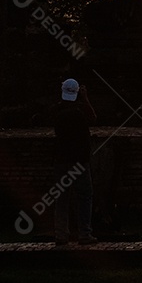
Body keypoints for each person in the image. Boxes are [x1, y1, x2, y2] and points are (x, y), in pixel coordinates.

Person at [44, 78, 97, 245]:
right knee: (84, 197)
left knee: (62, 198)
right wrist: (85, 98)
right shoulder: (80, 111)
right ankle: (84, 233)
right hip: (79, 160)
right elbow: (93, 118)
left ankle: (61, 234)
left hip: (61, 159)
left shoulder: (57, 111)